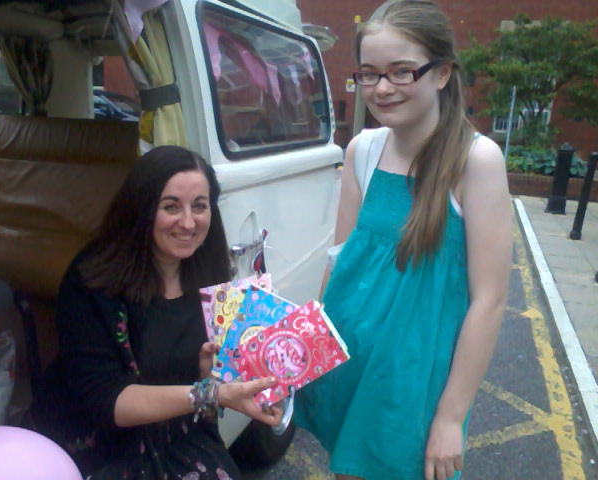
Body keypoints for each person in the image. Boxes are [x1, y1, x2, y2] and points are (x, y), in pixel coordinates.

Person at [294, 1, 512, 480]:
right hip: (348, 361)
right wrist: (300, 355)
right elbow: (340, 264)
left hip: (412, 384)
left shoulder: (476, 161)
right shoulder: (362, 151)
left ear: (442, 73)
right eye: (370, 74)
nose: (382, 88)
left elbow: (490, 301)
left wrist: (451, 417)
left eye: (401, 71)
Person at [25, 146, 283, 480]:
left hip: (179, 436)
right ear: (142, 209)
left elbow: (207, 379)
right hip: (101, 447)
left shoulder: (210, 275)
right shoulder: (93, 281)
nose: (188, 222)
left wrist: (224, 376)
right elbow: (106, 401)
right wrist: (212, 393)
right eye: (171, 206)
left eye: (199, 206)